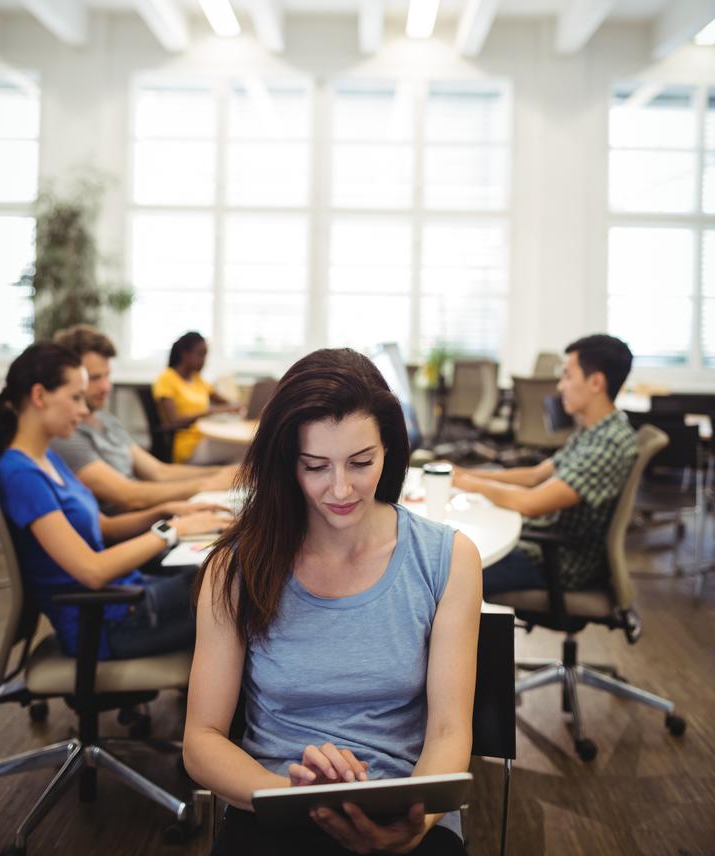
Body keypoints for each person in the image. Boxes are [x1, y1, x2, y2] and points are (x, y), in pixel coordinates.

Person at [183, 348, 482, 855]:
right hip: (272, 801)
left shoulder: (447, 559)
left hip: (402, 809)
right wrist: (298, 799)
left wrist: (419, 823)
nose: (341, 489)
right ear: (286, 465)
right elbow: (202, 739)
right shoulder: (235, 569)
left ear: (389, 451)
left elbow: (450, 729)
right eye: (316, 466)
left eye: (361, 463)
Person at [0, 342, 230, 660]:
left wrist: (163, 512)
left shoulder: (46, 457)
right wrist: (172, 531)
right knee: (237, 587)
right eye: (75, 397)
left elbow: (102, 527)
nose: (83, 409)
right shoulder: (20, 474)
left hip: (127, 598)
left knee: (226, 571)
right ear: (39, 396)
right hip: (108, 623)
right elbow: (92, 570)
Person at [451, 334, 638, 598]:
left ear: (596, 382)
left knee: (444, 573)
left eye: (568, 376)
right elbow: (535, 475)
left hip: (556, 562)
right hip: (541, 545)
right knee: (451, 550)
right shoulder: (594, 430)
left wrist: (469, 484)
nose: (560, 386)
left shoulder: (608, 443)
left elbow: (532, 503)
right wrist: (464, 473)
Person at [50, 325, 235, 513]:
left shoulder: (106, 420)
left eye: (107, 375)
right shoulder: (66, 434)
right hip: (136, 525)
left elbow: (159, 472)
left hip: (153, 516)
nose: (106, 386)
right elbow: (129, 496)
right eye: (95, 378)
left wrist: (223, 473)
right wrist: (207, 484)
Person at [153, 331, 241, 465]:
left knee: (244, 450)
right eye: (200, 354)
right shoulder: (167, 378)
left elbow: (227, 403)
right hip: (187, 446)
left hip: (207, 437)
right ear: (184, 353)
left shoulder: (198, 380)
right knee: (245, 451)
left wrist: (237, 405)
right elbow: (172, 420)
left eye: (206, 355)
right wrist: (209, 411)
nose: (204, 360)